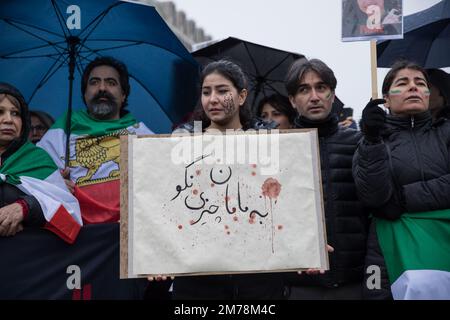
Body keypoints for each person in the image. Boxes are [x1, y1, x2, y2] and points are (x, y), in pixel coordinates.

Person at [172, 60, 285, 300]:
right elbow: (169, 203)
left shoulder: (267, 141)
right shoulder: (182, 142)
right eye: (206, 92)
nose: (213, 99)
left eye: (223, 91)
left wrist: (308, 240)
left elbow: (285, 200)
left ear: (242, 96)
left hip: (257, 279)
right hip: (198, 280)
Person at [353, 61, 450, 299]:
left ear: (428, 94)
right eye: (403, 83)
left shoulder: (447, 132)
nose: (413, 88)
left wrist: (405, 198)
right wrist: (372, 140)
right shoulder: (370, 142)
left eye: (420, 83)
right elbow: (373, 196)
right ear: (386, 99)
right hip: (386, 252)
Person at [284, 58, 369, 299]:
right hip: (299, 285)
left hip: (354, 281)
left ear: (332, 94)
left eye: (321, 88)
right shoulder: (278, 149)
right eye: (303, 89)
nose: (314, 96)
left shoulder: (359, 143)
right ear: (292, 100)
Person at [38, 56, 152, 224]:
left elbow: (157, 183)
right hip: (79, 232)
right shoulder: (64, 130)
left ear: (123, 95)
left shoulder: (141, 134)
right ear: (84, 94)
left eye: (111, 83)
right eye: (94, 82)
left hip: (130, 227)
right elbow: (37, 174)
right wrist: (56, 182)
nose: (102, 88)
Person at [0, 83, 82, 243]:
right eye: (0, 112)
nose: (9, 119)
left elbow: (70, 217)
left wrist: (25, 208)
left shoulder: (38, 159)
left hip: (28, 259)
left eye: (15, 113)